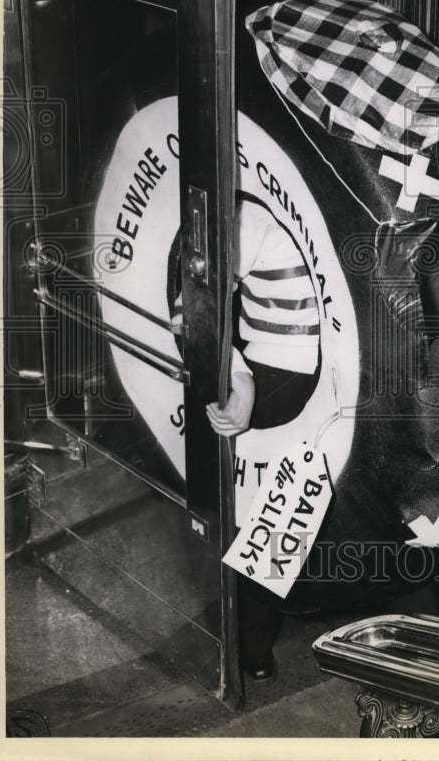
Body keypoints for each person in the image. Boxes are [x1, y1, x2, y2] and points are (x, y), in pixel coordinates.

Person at [178, 196, 321, 680]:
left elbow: (194, 311)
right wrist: (241, 378)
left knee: (267, 501)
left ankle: (251, 633)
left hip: (296, 365)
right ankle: (249, 634)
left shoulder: (245, 209)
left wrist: (241, 381)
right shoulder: (230, 211)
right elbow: (191, 310)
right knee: (263, 501)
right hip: (278, 363)